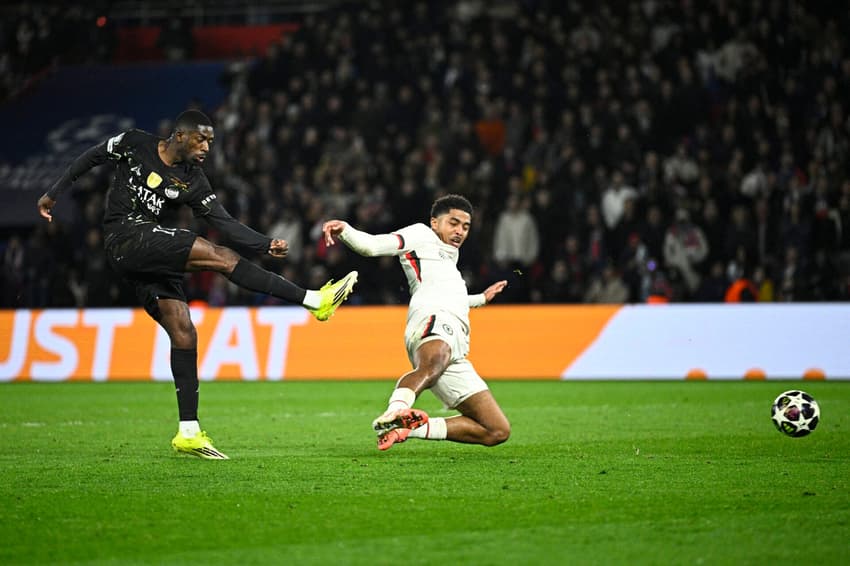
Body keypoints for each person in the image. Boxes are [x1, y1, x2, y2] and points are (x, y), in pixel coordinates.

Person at [37, 110, 358, 460]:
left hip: (146, 254)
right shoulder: (134, 144)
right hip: (126, 236)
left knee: (184, 331)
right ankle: (314, 300)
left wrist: (263, 243)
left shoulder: (193, 180)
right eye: (201, 139)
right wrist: (53, 194)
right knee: (219, 256)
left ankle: (187, 431)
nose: (206, 147)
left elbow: (224, 221)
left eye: (211, 141)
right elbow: (93, 155)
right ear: (180, 135)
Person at [322, 194, 510, 451]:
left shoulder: (448, 258)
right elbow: (374, 246)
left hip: (457, 342)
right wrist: (346, 230)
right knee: (433, 362)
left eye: (465, 227)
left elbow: (451, 295)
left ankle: (407, 429)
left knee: (496, 429)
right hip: (432, 319)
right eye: (453, 223)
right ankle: (396, 410)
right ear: (435, 222)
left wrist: (481, 298)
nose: (460, 232)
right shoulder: (421, 235)